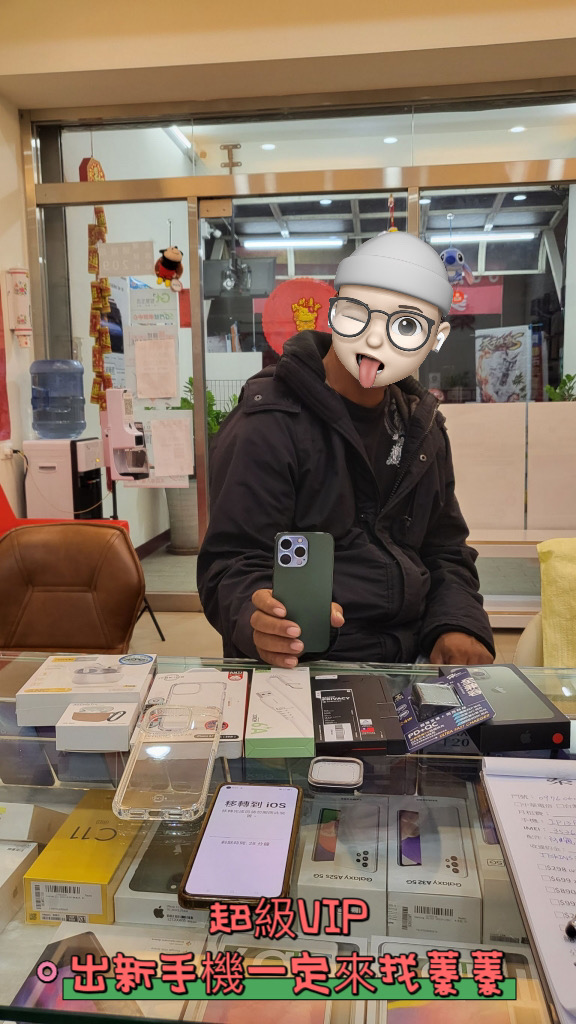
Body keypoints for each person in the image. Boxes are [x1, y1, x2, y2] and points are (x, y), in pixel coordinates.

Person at [197, 231, 495, 668]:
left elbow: (445, 547)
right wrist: (256, 616)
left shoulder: (422, 428)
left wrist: (458, 622)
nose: (376, 341)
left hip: (411, 661)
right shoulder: (267, 423)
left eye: (406, 325)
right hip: (305, 665)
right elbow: (230, 563)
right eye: (360, 315)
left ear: (436, 337)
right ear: (335, 311)